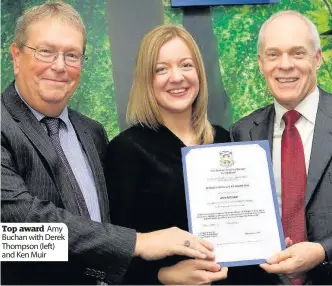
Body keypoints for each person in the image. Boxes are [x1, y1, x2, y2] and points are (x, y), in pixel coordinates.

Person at [1, 3, 216, 285]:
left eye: (72, 55)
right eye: (46, 51)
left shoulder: (91, 132)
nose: (59, 66)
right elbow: (17, 231)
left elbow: (110, 223)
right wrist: (138, 243)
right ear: (16, 56)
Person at [105, 24, 230, 285]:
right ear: (146, 80)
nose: (177, 77)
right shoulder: (126, 150)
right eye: (161, 69)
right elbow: (114, 248)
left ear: (199, 72)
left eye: (186, 65)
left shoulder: (224, 139)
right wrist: (162, 276)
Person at [230, 10, 332, 284]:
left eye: (297, 53)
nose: (285, 65)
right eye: (273, 55)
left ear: (317, 58)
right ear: (261, 63)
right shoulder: (242, 132)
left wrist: (324, 250)